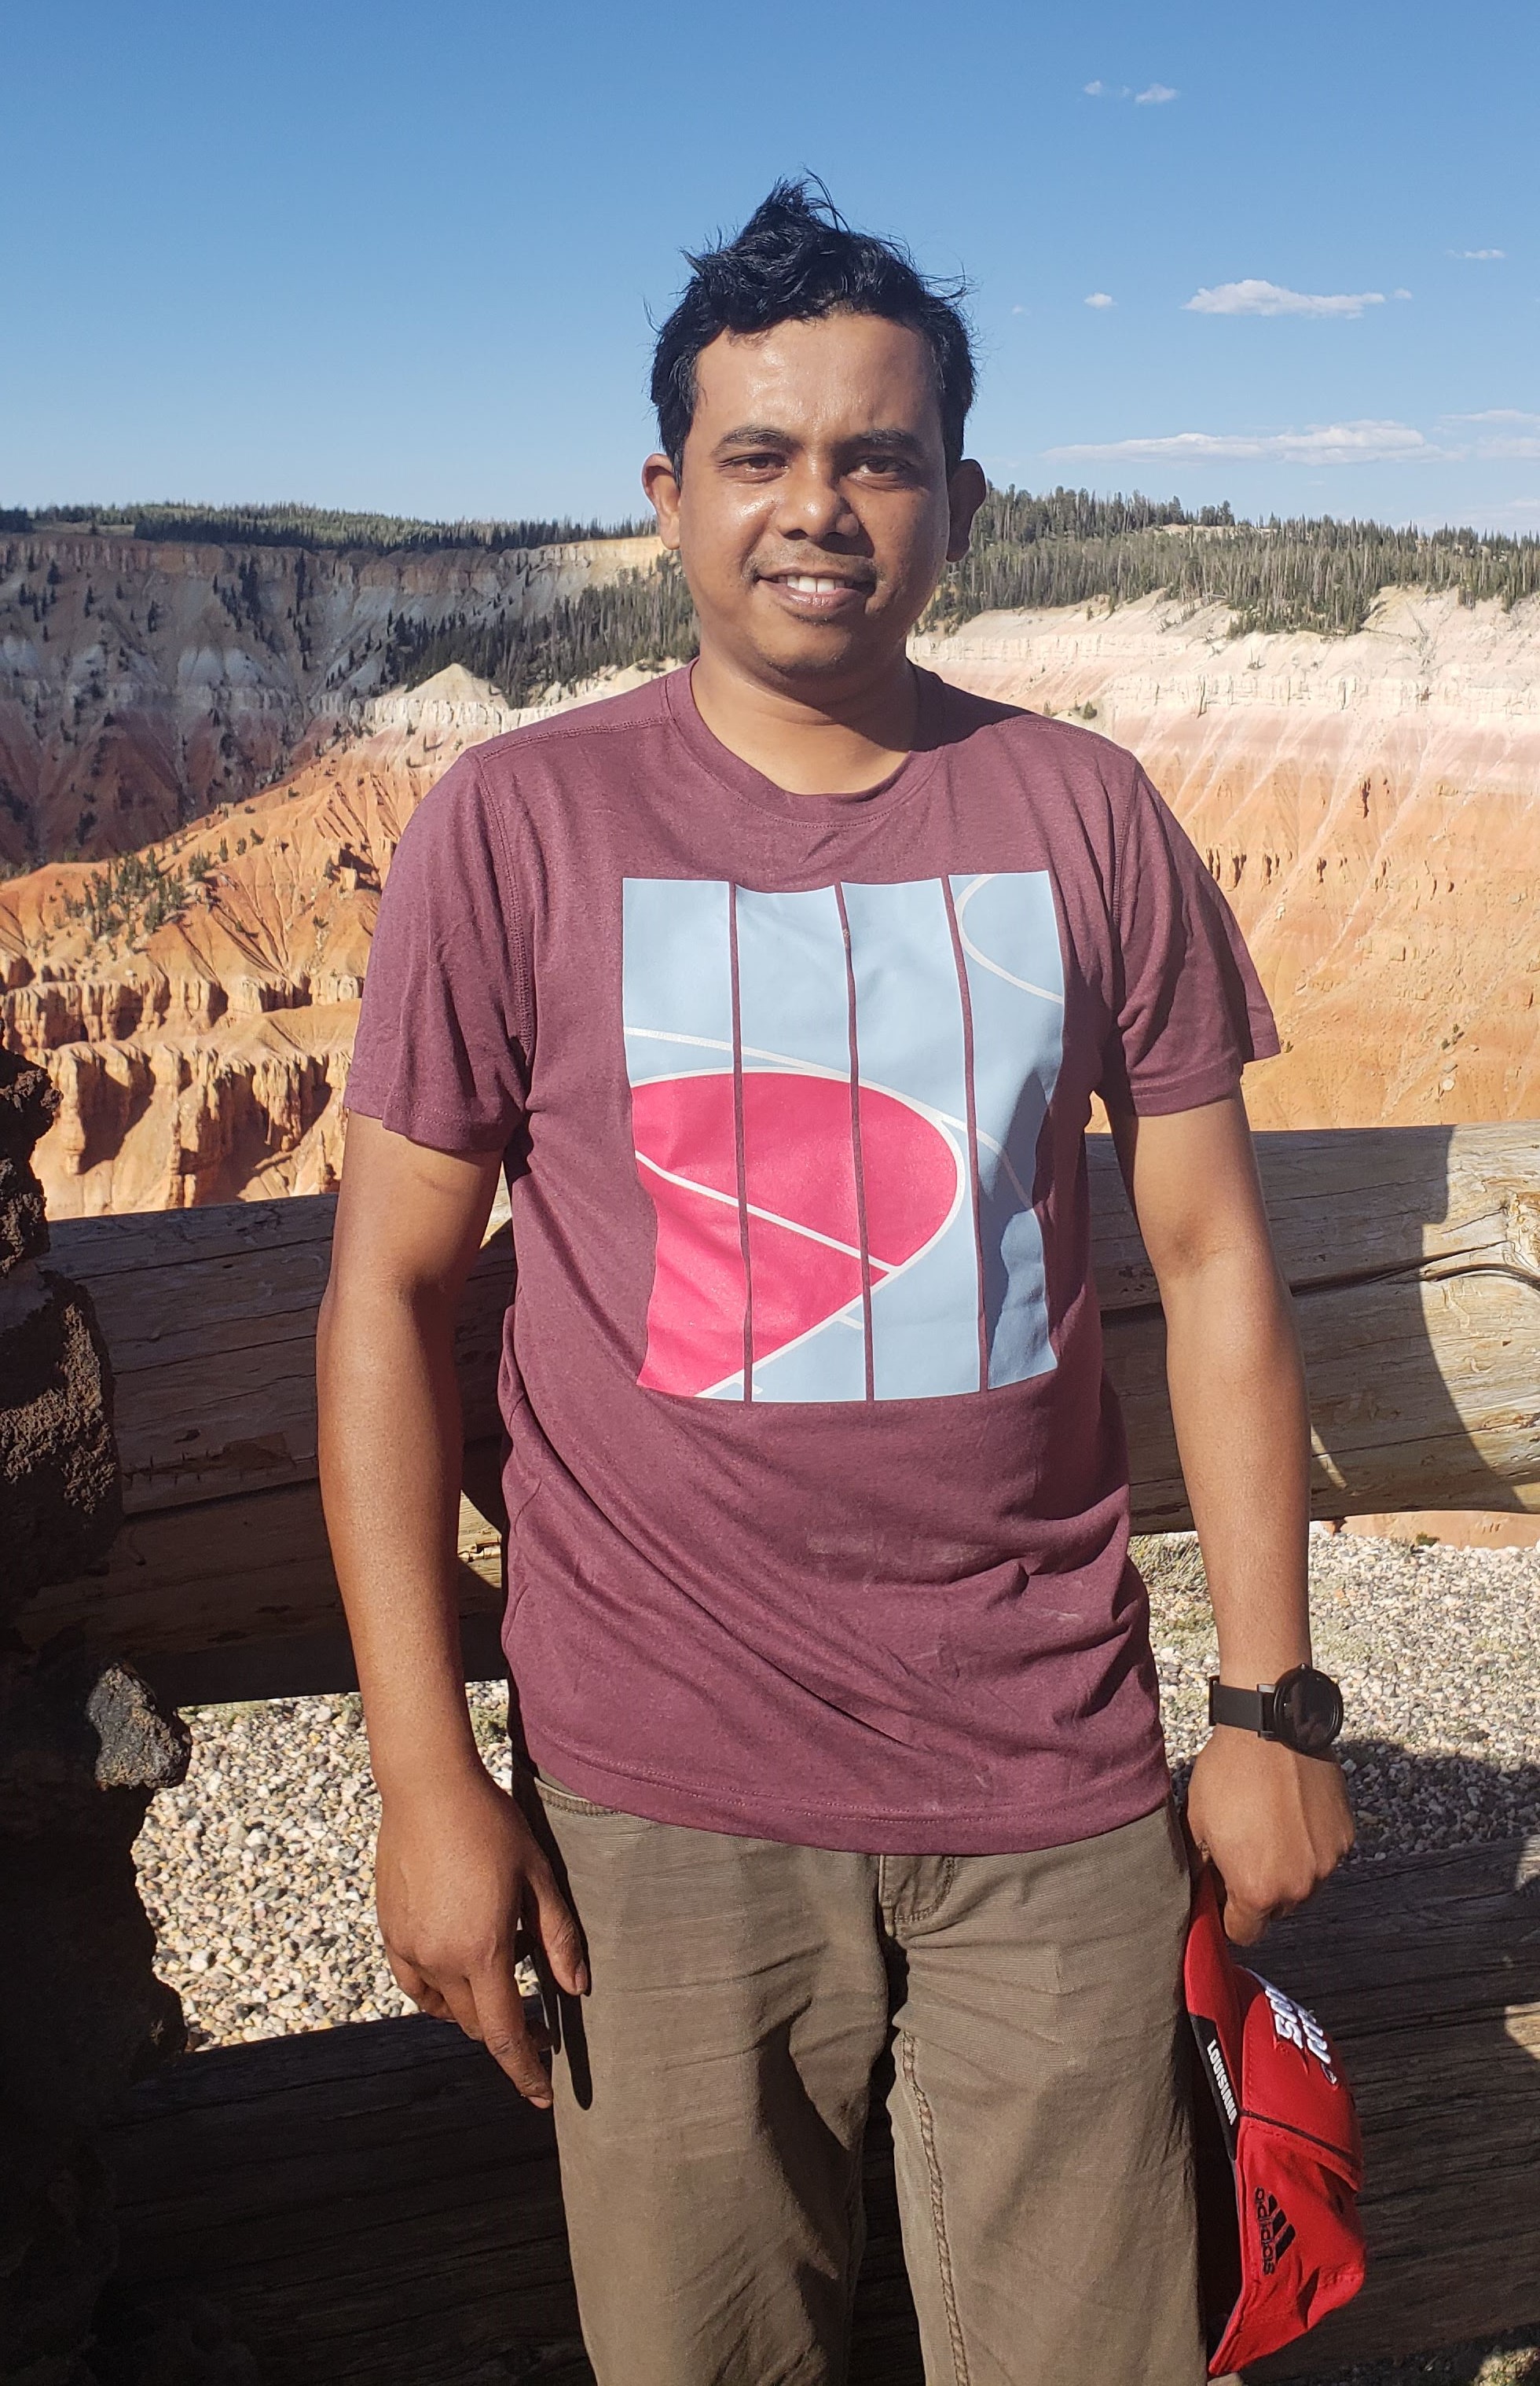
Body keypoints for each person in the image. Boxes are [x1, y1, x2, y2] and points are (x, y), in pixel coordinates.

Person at [317, 180, 1355, 2386]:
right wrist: (428, 1773)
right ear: (665, 494)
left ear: (964, 499)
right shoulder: (514, 825)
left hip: (1054, 1774)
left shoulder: (1082, 812)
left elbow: (1213, 1257)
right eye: (763, 455)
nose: (821, 506)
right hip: (652, 1789)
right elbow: (389, 1299)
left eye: (880, 456)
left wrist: (1264, 1708)